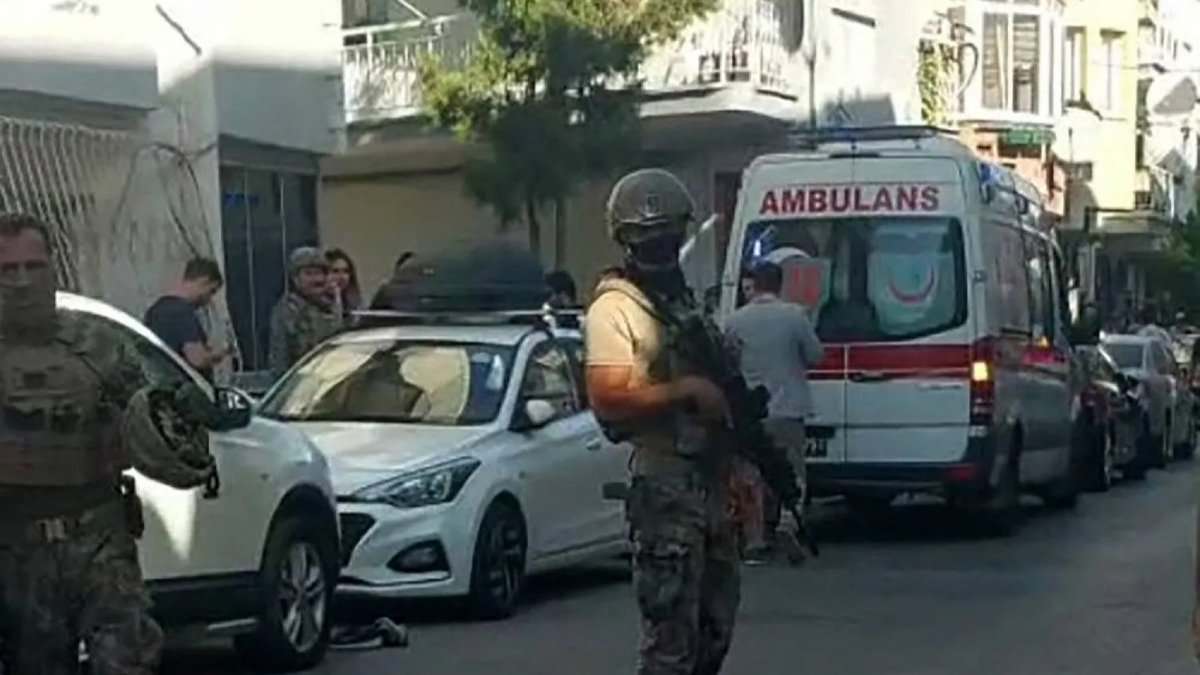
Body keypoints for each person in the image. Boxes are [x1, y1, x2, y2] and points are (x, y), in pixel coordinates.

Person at [0, 212, 220, 675]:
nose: (21, 281)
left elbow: (157, 418)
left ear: (53, 267)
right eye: (7, 269)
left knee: (126, 662)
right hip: (14, 550)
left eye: (32, 266)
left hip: (100, 541)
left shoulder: (97, 345)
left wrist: (185, 417)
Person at [585, 169, 740, 675]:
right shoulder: (616, 307)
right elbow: (608, 400)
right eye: (650, 238)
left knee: (712, 635)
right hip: (666, 485)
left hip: (710, 481)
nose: (662, 249)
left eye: (670, 236)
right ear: (626, 240)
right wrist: (685, 391)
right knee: (670, 647)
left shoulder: (681, 302)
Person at [724, 261, 823, 555]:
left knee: (752, 474)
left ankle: (755, 537)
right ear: (780, 285)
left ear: (754, 285)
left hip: (750, 410)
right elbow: (815, 355)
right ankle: (788, 524)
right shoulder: (795, 316)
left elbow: (726, 361)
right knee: (791, 469)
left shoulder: (735, 320)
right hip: (788, 407)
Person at [144, 257, 231, 381]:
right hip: (184, 387)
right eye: (211, 291)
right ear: (203, 281)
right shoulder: (183, 312)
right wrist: (221, 352)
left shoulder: (155, 310)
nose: (209, 300)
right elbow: (197, 359)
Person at [268, 247, 343, 380]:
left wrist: (336, 303)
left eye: (320, 273)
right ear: (295, 279)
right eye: (309, 274)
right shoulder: (288, 310)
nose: (317, 279)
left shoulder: (331, 305)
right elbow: (280, 360)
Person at [326, 248, 362, 322]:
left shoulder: (355, 301)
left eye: (346, 271)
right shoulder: (316, 304)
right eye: (335, 271)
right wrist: (337, 298)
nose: (342, 277)